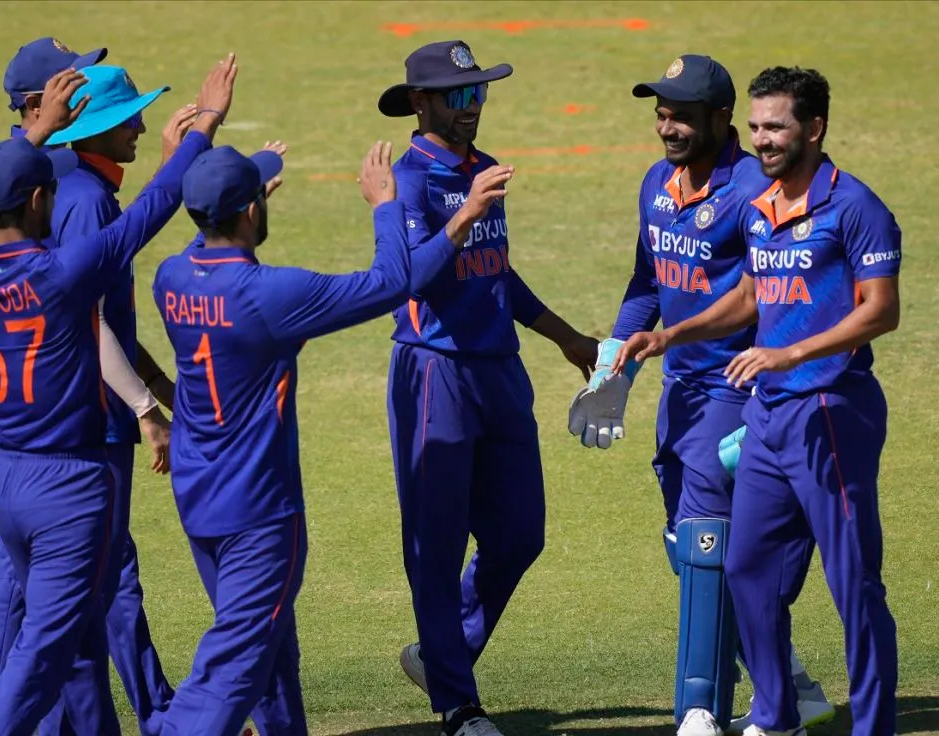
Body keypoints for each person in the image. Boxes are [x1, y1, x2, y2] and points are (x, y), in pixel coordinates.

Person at [0, 54, 233, 736]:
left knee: (68, 647)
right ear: (40, 201)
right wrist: (206, 124)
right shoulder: (63, 275)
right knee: (50, 650)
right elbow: (156, 209)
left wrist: (31, 136)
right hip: (71, 480)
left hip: (6, 475)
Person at [614, 66, 902, 736]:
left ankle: (873, 726)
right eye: (757, 127)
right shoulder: (764, 204)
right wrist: (669, 333)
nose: (763, 140)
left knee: (854, 582)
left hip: (829, 407)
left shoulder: (854, 206)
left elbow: (881, 312)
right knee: (744, 569)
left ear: (815, 128)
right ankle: (778, 714)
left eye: (776, 127)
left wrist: (789, 354)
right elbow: (749, 295)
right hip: (769, 412)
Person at [567, 56, 835, 736]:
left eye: (682, 114)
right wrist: (615, 373)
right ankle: (790, 683)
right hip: (682, 387)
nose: (668, 127)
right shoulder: (656, 185)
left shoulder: (755, 188)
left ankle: (699, 711)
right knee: (688, 547)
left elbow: (766, 295)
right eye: (660, 113)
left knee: (706, 539)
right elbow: (645, 283)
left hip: (740, 386)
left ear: (723, 118)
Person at [151, 138, 425, 736]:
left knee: (268, 647)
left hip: (199, 499)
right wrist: (385, 204)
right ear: (251, 211)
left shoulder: (170, 277)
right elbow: (392, 280)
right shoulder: (271, 295)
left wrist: (239, 205)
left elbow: (210, 243)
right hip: (259, 512)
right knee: (236, 667)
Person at [377, 39, 598, 736]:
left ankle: (444, 654)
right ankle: (458, 706)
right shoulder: (408, 181)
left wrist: (564, 335)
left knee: (519, 534)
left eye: (479, 94)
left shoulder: (478, 170)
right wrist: (466, 212)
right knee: (435, 546)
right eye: (459, 96)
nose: (473, 109)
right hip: (433, 372)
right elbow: (410, 276)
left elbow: (495, 269)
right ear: (421, 103)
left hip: (499, 371)